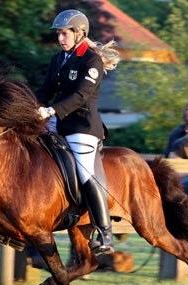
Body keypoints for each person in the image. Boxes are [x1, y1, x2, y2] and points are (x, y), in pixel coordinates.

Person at [35, 9, 120, 254]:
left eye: (65, 33)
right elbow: (44, 92)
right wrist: (31, 108)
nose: (61, 38)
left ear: (79, 33)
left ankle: (105, 232)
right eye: (59, 34)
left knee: (85, 173)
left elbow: (81, 96)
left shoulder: (90, 60)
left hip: (82, 126)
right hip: (57, 123)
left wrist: (50, 111)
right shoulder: (56, 59)